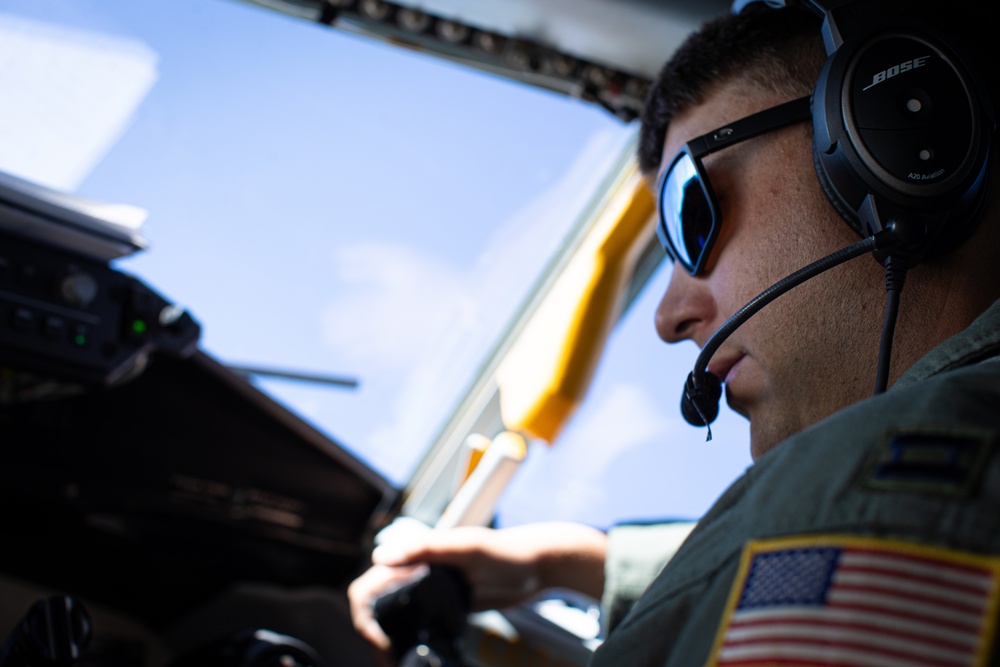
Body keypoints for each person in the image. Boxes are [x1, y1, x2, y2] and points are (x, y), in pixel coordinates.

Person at [350, 0, 1000, 664]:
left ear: (887, 140)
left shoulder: (874, 478)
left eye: (690, 216)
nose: (668, 318)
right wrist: (568, 561)